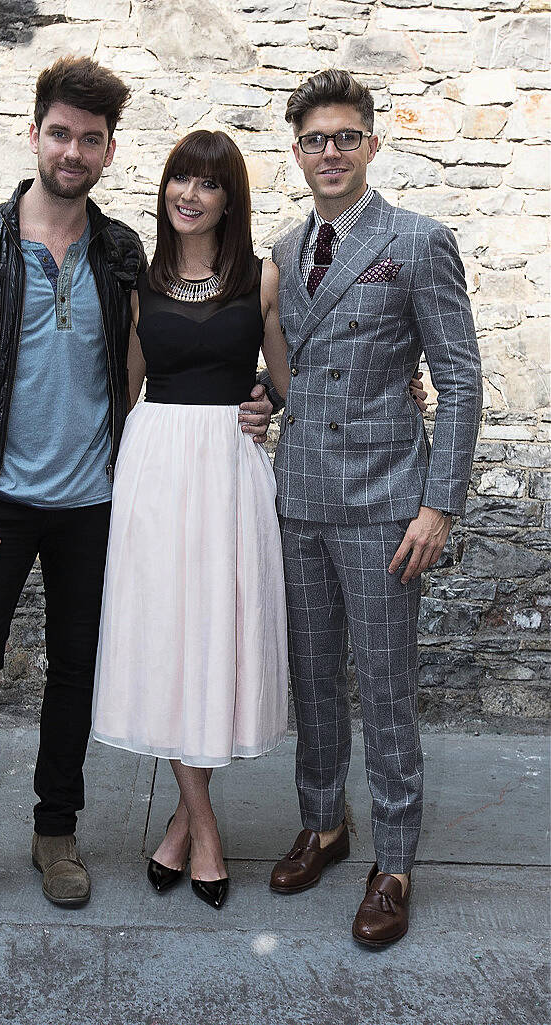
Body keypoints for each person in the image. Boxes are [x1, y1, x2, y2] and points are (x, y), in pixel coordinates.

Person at [0, 57, 274, 931]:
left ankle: (56, 835)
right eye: (61, 133)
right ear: (34, 135)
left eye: (92, 139)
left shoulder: (120, 254)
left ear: (109, 153)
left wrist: (259, 393)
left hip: (95, 502)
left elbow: (192, 343)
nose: (74, 150)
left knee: (75, 674)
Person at [263, 69, 483, 946]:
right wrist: (261, 400)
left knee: (387, 690)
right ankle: (323, 822)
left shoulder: (417, 240)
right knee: (313, 678)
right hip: (301, 496)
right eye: (315, 139)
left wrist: (440, 505)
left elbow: (461, 380)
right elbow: (294, 370)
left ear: (371, 145)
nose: (330, 152)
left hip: (387, 502)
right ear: (297, 150)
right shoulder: (282, 251)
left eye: (346, 136)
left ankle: (393, 860)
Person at [91, 130, 294, 910]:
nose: (188, 193)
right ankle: (204, 829)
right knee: (166, 634)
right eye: (180, 177)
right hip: (156, 464)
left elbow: (285, 377)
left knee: (214, 632)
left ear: (228, 200)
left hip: (229, 466)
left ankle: (181, 825)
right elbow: (125, 387)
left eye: (207, 184)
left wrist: (266, 407)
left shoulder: (262, 277)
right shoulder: (137, 280)